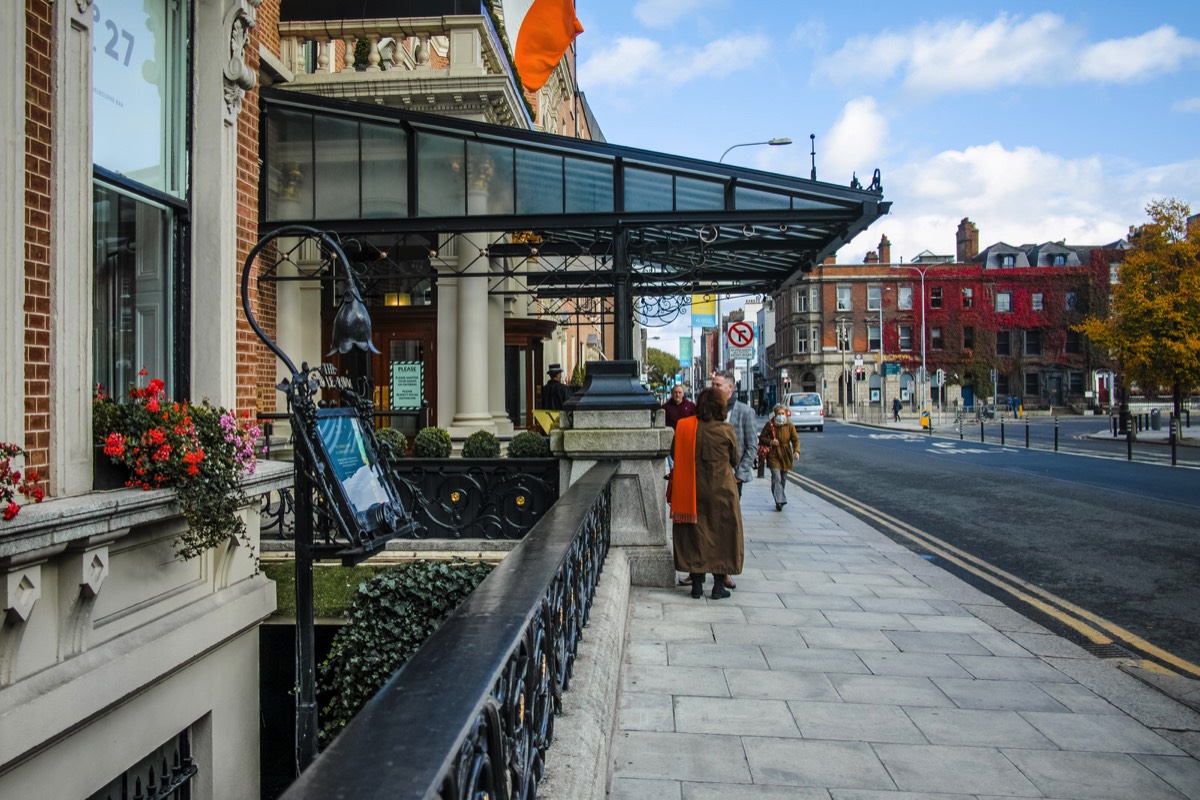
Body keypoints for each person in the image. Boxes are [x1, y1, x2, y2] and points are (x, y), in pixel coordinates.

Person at [667, 388, 743, 599]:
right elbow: (735, 458)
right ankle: (719, 586)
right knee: (723, 535)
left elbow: (674, 453)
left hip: (693, 489)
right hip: (723, 491)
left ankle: (697, 584)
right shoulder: (726, 430)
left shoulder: (685, 428)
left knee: (694, 534)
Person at [759, 404, 799, 512]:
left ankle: (779, 497)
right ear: (775, 414)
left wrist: (796, 451)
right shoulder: (769, 425)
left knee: (783, 479)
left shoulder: (790, 426)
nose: (781, 416)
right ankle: (779, 501)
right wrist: (771, 441)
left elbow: (795, 440)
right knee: (777, 478)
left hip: (785, 455)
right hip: (773, 454)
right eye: (779, 414)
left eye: (783, 414)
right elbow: (762, 437)